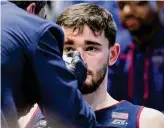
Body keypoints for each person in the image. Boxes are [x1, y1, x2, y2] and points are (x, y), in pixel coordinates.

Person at [23, 3, 164, 128]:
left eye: (91, 48)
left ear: (113, 55)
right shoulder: (25, 117)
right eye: (69, 48)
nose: (79, 59)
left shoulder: (146, 121)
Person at [1, 1, 96, 128]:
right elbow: (74, 121)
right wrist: (67, 83)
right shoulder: (37, 29)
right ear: (31, 9)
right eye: (44, 17)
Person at [108, 1, 164, 112]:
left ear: (159, 4)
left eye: (139, 3)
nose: (127, 11)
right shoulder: (117, 50)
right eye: (121, 6)